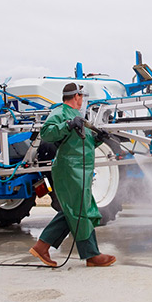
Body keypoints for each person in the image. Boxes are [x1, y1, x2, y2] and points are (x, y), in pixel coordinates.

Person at [29, 82, 116, 267]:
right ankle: (91, 255)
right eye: (82, 96)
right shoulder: (60, 113)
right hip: (69, 169)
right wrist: (67, 125)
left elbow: (81, 144)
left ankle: (42, 246)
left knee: (76, 209)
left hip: (81, 169)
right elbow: (46, 133)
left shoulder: (78, 116)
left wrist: (97, 140)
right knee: (79, 209)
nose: (82, 100)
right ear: (76, 96)